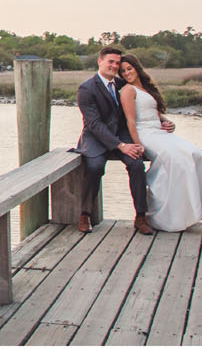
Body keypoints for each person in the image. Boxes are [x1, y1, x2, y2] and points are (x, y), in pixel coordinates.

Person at [117, 54, 202, 232]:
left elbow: (151, 111)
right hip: (145, 134)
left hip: (159, 130)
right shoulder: (128, 90)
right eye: (122, 71)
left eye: (129, 69)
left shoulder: (145, 88)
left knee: (196, 154)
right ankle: (164, 214)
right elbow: (131, 121)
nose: (126, 73)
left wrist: (165, 121)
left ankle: (196, 207)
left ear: (137, 68)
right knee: (175, 159)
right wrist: (138, 144)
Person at [69, 46, 166, 235]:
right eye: (110, 62)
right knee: (95, 167)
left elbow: (141, 106)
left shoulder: (123, 85)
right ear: (100, 62)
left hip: (122, 136)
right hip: (97, 138)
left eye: (117, 63)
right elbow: (95, 124)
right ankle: (85, 214)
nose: (114, 66)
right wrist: (120, 145)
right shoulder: (86, 88)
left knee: (137, 165)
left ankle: (140, 216)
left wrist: (163, 120)